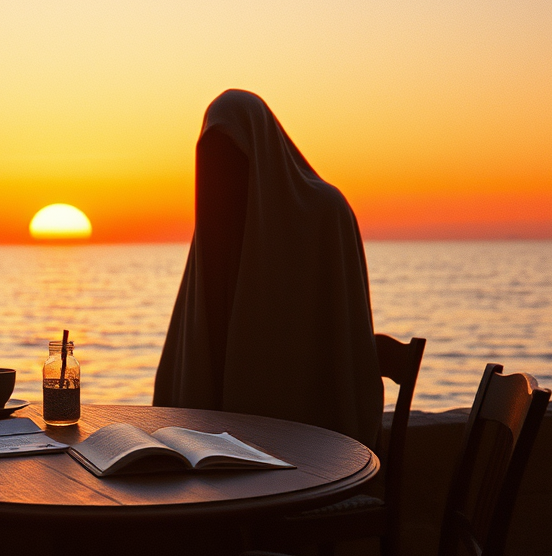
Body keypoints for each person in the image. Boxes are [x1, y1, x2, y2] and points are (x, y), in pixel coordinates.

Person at [153, 89, 383, 448]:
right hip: (223, 450)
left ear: (260, 149)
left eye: (233, 153)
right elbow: (194, 349)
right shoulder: (217, 231)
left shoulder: (325, 211)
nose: (223, 168)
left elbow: (343, 339)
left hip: (316, 444)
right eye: (212, 156)